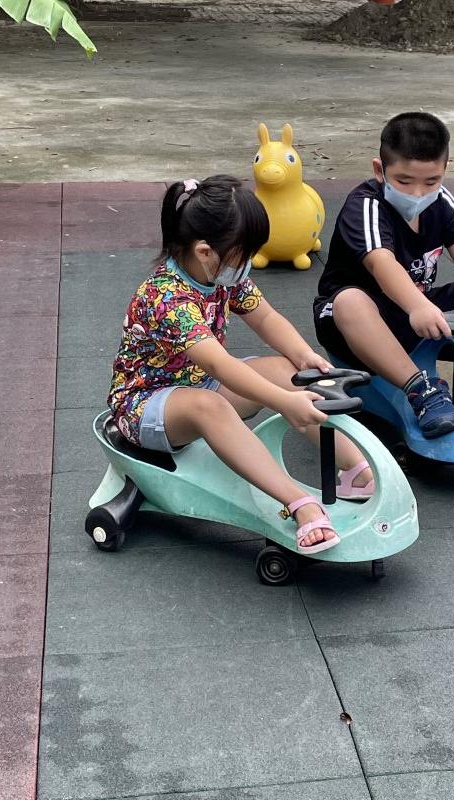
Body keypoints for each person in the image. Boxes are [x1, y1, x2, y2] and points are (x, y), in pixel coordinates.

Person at [108, 175, 374, 555]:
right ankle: (298, 503)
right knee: (211, 405)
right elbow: (220, 365)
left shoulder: (221, 277)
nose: (247, 264)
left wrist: (303, 356)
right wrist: (284, 402)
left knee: (285, 372)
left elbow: (265, 318)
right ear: (205, 252)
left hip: (197, 384)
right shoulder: (166, 297)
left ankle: (356, 470)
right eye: (243, 254)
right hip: (144, 405)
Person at [313, 112, 454, 439]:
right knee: (350, 301)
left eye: (431, 181)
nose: (418, 193)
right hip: (356, 320)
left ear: (444, 170)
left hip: (416, 310)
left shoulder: (441, 201)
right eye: (404, 181)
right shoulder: (366, 205)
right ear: (379, 170)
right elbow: (381, 263)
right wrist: (418, 306)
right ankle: (420, 389)